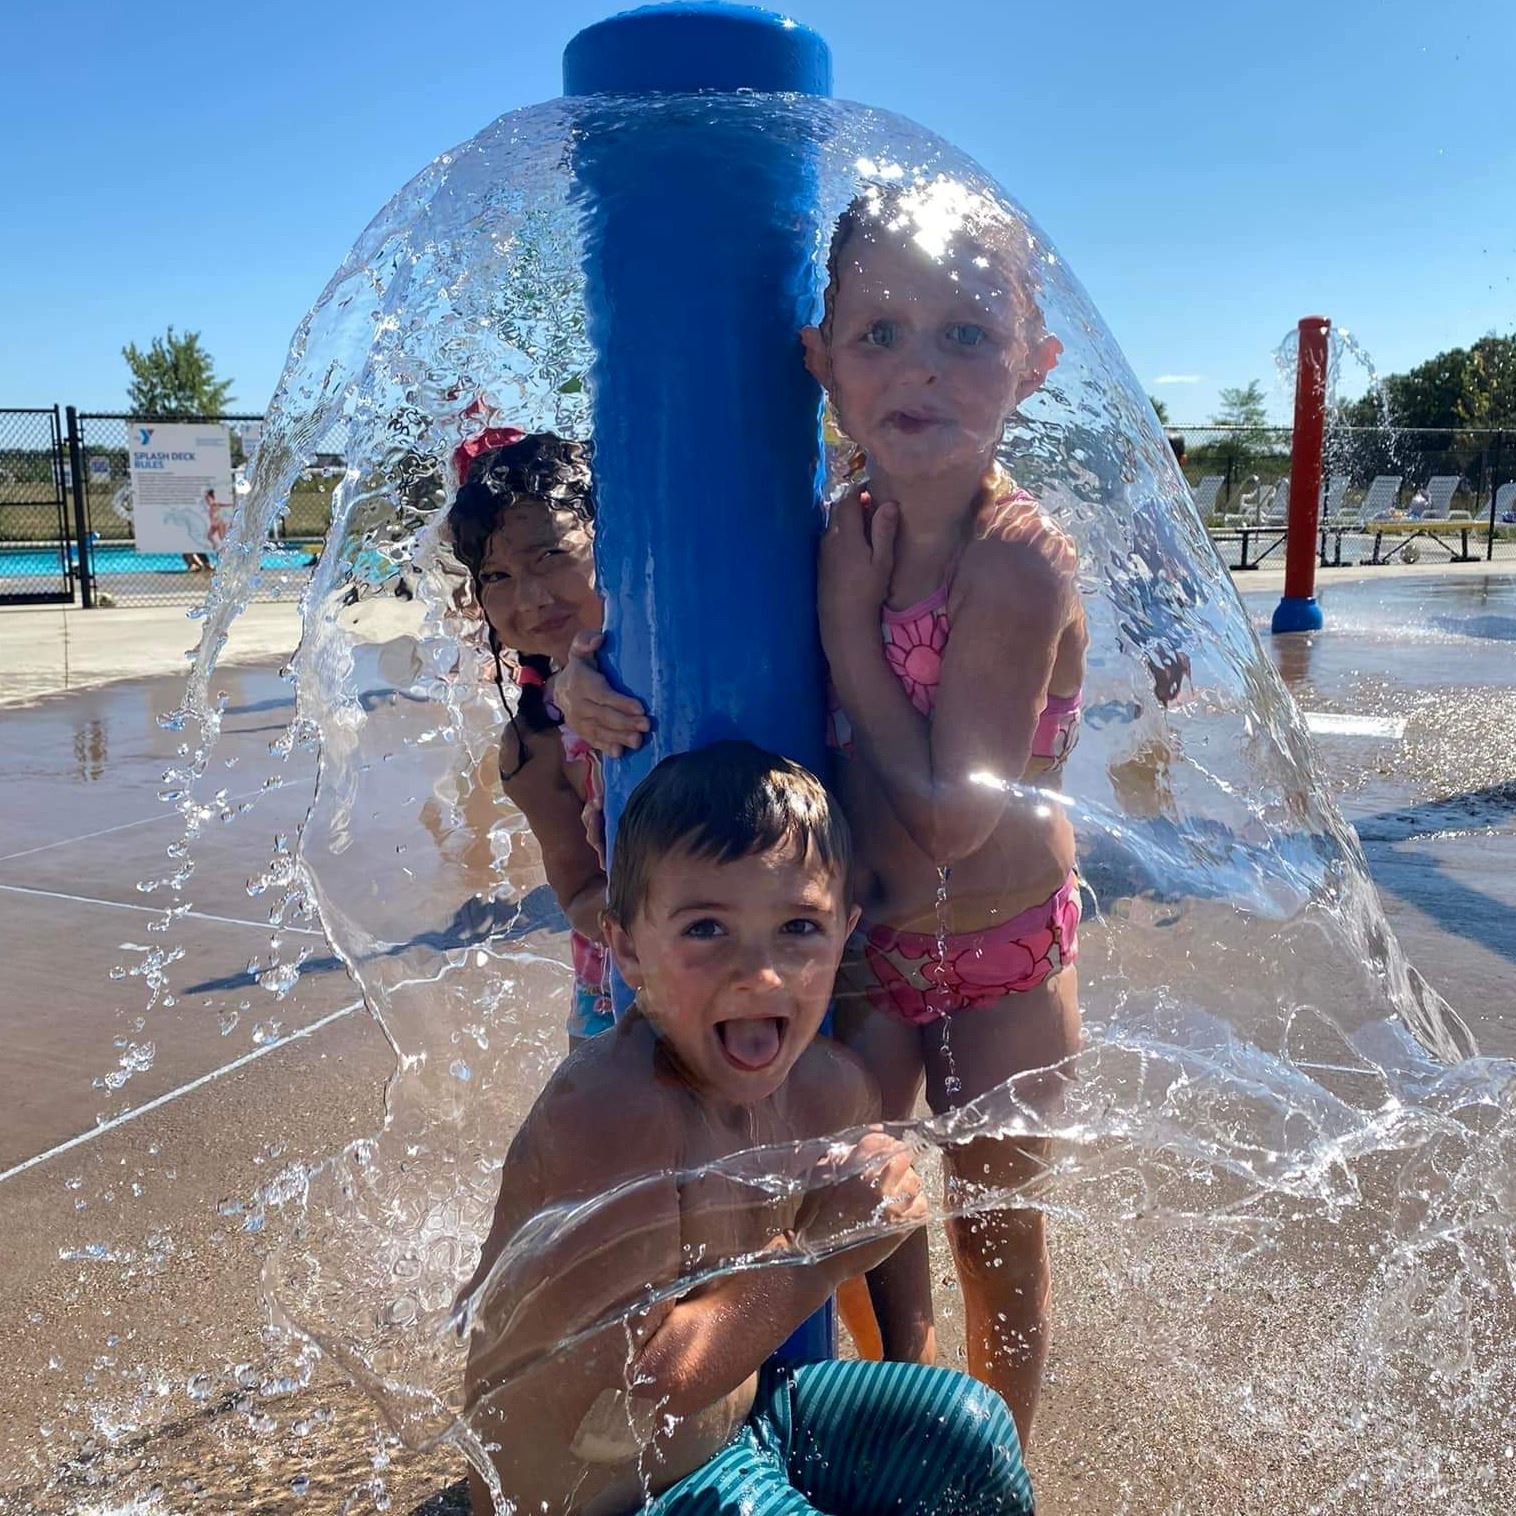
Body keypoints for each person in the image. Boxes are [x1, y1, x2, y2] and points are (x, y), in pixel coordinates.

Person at [554, 180, 1085, 1446]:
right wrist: (580, 672)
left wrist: (847, 619)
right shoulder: (826, 529)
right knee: (849, 1210)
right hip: (866, 952)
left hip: (1005, 953)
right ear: (820, 361)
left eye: (968, 335)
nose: (921, 369)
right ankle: (894, 1415)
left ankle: (994, 1460)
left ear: (1035, 365)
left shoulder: (1016, 559)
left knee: (993, 1233)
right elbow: (632, 611)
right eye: (879, 334)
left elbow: (955, 815)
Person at [456, 741, 1034, 1516]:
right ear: (627, 948)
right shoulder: (615, 1113)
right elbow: (623, 1407)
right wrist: (810, 1262)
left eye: (798, 927)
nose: (759, 973)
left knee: (965, 1432)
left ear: (844, 934)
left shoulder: (829, 1086)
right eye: (705, 930)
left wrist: (912, 1367)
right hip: (617, 1496)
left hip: (743, 1427)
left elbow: (881, 1219)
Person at [445, 429, 614, 1043]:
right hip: (619, 991)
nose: (531, 597)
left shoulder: (684, 672)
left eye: (551, 556)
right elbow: (577, 891)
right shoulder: (533, 748)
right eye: (497, 575)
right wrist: (658, 930)